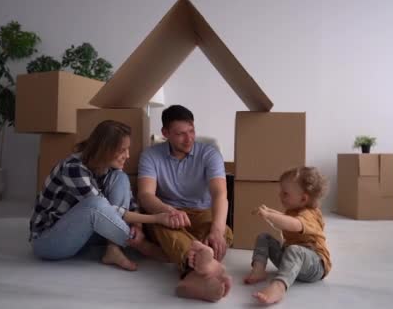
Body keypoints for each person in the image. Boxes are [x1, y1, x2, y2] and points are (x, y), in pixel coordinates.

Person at [29, 120, 174, 271]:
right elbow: (103, 211)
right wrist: (156, 218)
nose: (128, 155)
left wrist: (138, 226)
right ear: (105, 150)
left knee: (120, 177)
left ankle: (113, 248)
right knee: (95, 204)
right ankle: (141, 246)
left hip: (83, 233)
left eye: (128, 149)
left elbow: (130, 204)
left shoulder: (107, 167)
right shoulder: (73, 168)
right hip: (49, 240)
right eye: (122, 150)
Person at [137, 105, 233, 302]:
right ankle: (201, 268)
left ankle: (192, 275)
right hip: (169, 213)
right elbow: (145, 196)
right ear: (165, 133)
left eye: (191, 131)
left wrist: (217, 230)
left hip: (201, 211)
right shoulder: (151, 155)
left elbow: (219, 194)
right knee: (161, 224)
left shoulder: (210, 153)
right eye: (180, 134)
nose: (189, 139)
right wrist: (168, 211)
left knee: (224, 231)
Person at [243, 166, 332, 305]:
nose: (280, 196)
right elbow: (284, 218)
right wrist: (269, 212)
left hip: (315, 266)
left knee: (294, 250)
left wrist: (268, 215)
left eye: (285, 193)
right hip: (291, 260)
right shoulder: (293, 210)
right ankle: (259, 269)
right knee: (264, 237)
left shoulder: (309, 214)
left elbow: (294, 224)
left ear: (303, 199)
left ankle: (279, 286)